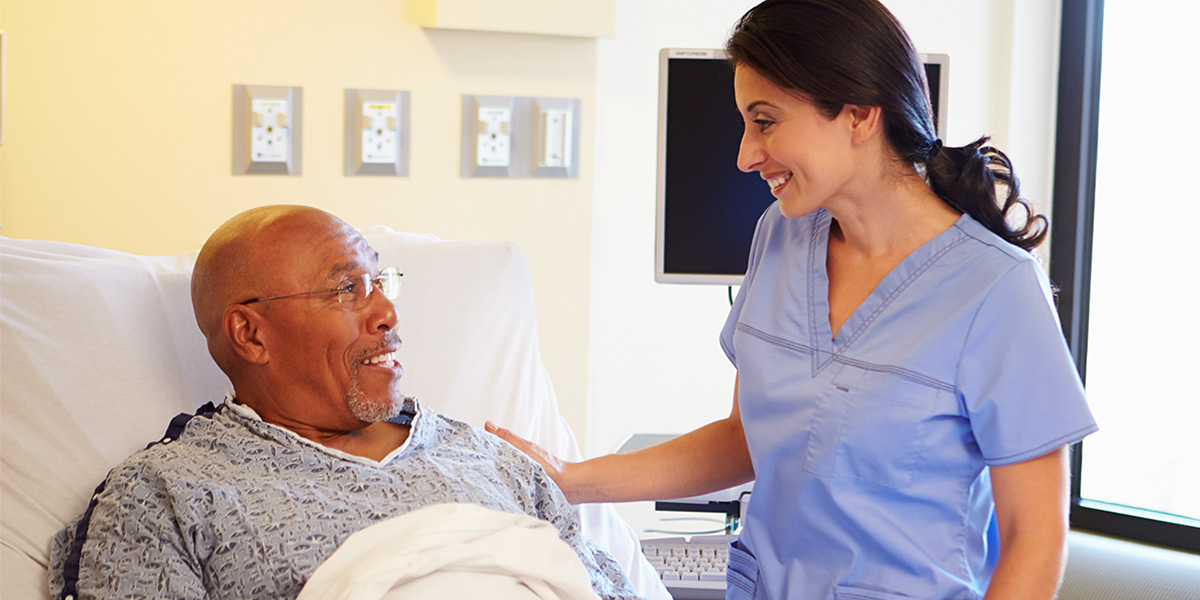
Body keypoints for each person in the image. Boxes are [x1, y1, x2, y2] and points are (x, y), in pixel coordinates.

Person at [486, 1, 1098, 598]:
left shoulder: (995, 288)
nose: (746, 155)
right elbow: (746, 437)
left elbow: (1035, 539)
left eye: (765, 121)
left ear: (858, 114)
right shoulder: (779, 236)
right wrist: (568, 480)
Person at [48, 205, 641, 600]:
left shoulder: (491, 459)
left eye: (381, 283)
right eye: (345, 290)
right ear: (250, 335)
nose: (387, 313)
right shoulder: (167, 493)